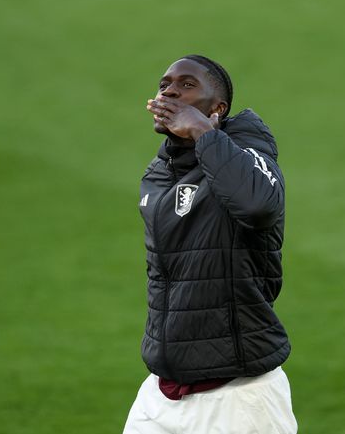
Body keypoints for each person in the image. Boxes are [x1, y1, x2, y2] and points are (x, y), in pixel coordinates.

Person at [123, 55, 297, 434]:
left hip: (238, 399)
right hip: (161, 393)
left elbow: (258, 205)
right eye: (165, 84)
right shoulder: (160, 171)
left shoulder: (250, 152)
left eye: (187, 85)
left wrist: (204, 133)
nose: (169, 92)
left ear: (217, 108)